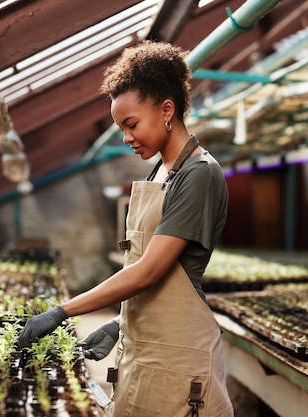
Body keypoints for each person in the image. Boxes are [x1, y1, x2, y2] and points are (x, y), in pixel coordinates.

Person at [18, 40, 234, 417]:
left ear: (167, 109)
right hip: (146, 350)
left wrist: (62, 311)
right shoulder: (161, 171)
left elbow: (150, 270)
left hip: (178, 357)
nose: (126, 137)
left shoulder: (198, 173)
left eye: (131, 124)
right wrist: (121, 322)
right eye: (121, 127)